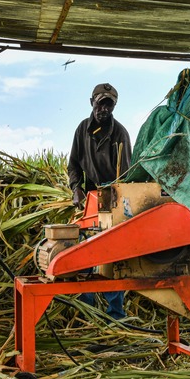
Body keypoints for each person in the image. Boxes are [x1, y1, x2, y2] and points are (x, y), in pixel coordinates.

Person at [67, 82, 132, 320]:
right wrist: (77, 188)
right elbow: (73, 164)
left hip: (113, 198)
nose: (104, 109)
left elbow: (125, 175)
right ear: (91, 102)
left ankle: (115, 313)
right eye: (100, 103)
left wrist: (115, 202)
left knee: (112, 256)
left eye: (109, 105)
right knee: (85, 251)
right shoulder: (82, 130)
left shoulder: (120, 134)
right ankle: (88, 311)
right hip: (91, 197)